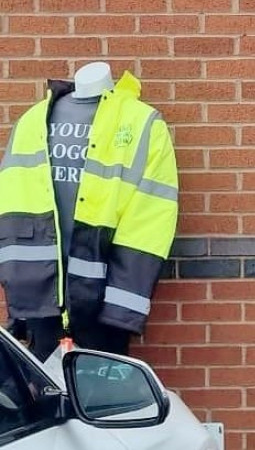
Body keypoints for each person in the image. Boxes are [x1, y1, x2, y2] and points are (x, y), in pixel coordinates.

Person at [0, 62, 179, 359]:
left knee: (103, 401)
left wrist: (122, 307)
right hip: (40, 299)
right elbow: (11, 205)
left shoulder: (141, 123)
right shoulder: (32, 122)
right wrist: (21, 294)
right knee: (43, 400)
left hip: (102, 301)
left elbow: (150, 220)